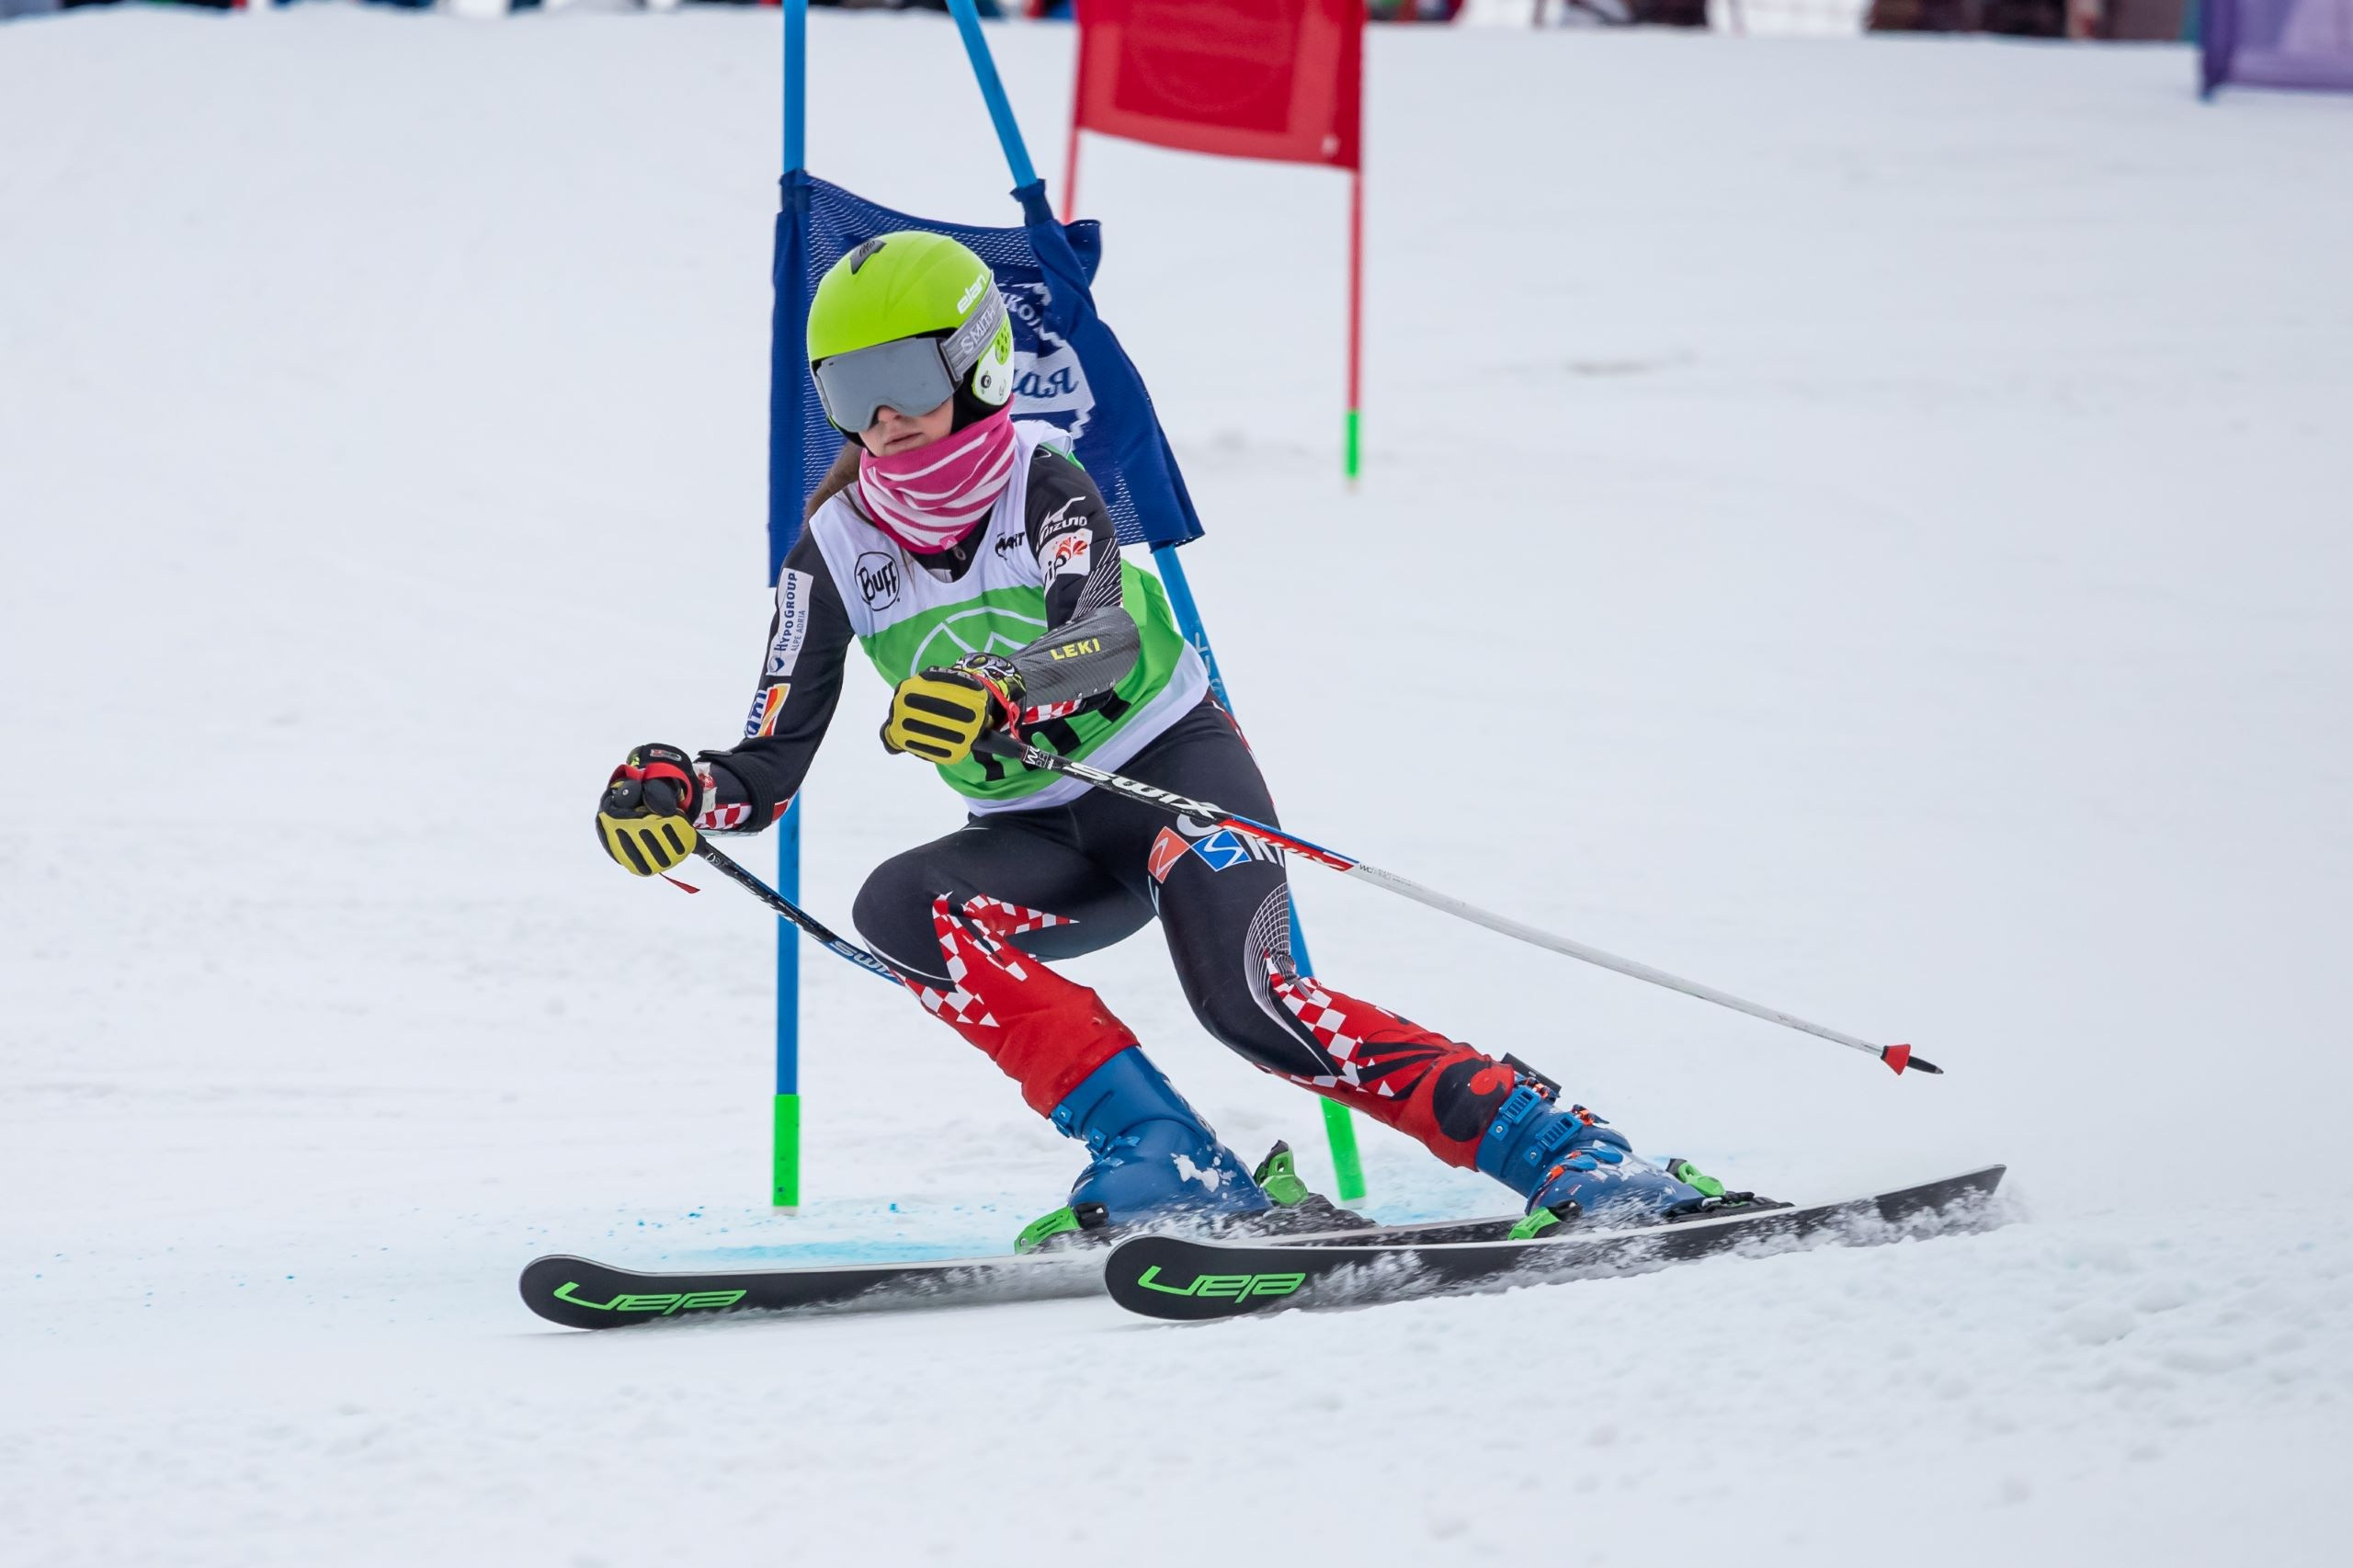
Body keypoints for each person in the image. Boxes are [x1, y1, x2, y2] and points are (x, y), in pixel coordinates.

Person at [596, 232, 1726, 1248]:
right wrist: (680, 791)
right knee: (901, 902)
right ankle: (1166, 1159)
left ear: (977, 360)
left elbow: (1093, 635)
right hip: (1038, 832)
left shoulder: (1045, 479)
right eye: (849, 387)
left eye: (903, 376)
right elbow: (767, 764)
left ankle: (1566, 1150)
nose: (881, 415)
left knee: (1255, 1006)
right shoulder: (833, 549)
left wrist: (999, 688)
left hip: (1171, 775)